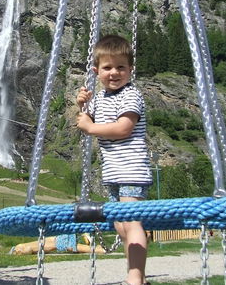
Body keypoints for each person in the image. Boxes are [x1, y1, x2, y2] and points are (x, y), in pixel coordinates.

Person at [76, 35, 152, 285]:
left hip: (132, 169)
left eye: (121, 67)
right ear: (97, 72)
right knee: (121, 227)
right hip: (112, 173)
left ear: (130, 70)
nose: (114, 73)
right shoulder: (100, 98)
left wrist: (90, 128)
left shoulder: (131, 96)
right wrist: (82, 105)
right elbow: (86, 119)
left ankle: (135, 277)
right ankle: (135, 272)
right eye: (108, 67)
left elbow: (122, 129)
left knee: (131, 223)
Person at [9, 233, 106, 255]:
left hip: (57, 241)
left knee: (75, 246)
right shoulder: (24, 247)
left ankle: (100, 249)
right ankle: (101, 249)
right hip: (57, 240)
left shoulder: (23, 247)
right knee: (75, 247)